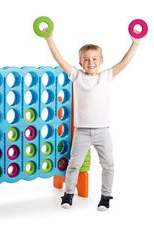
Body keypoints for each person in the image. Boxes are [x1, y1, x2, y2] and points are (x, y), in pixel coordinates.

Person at [43, 27, 140, 211]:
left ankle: (105, 196)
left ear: (101, 61)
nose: (90, 62)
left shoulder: (105, 76)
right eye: (86, 59)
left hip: (102, 130)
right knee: (74, 164)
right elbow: (59, 59)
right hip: (81, 131)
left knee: (109, 164)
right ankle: (68, 194)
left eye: (94, 59)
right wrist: (49, 39)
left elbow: (124, 62)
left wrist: (135, 43)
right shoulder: (76, 76)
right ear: (80, 62)